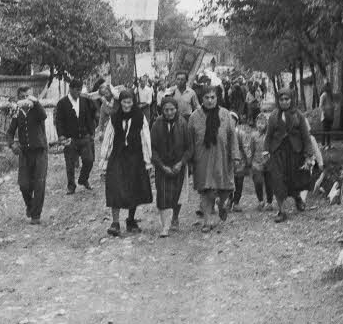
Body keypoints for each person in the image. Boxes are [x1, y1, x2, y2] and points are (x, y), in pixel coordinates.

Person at [100, 87, 153, 236]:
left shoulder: (140, 117)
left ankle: (131, 219)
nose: (127, 105)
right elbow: (108, 139)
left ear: (133, 102)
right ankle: (115, 222)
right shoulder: (114, 118)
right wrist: (104, 160)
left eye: (129, 102)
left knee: (134, 188)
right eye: (124, 102)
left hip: (135, 158)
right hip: (117, 156)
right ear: (120, 102)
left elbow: (145, 139)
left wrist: (148, 160)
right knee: (115, 187)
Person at [188, 86, 240, 232]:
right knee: (205, 190)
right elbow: (190, 140)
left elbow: (232, 137)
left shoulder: (225, 115)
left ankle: (222, 203)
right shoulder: (194, 117)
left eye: (213, 97)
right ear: (201, 99)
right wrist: (190, 161)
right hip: (202, 158)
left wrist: (235, 156)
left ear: (217, 98)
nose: (210, 100)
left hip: (222, 158)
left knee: (224, 187)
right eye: (206, 98)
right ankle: (207, 221)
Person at [263, 89, 318, 223]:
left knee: (295, 179)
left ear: (291, 100)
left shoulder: (298, 115)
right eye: (281, 100)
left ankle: (297, 198)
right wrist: (265, 151)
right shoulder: (274, 116)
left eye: (287, 99)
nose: (284, 102)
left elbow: (306, 136)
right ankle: (281, 211)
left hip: (295, 152)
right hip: (278, 153)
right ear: (278, 101)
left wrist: (309, 154)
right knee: (277, 180)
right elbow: (268, 135)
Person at [149, 94, 193, 237]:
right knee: (162, 194)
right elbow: (153, 148)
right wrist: (161, 166)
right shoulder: (156, 125)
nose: (169, 113)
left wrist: (181, 163)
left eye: (172, 109)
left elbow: (189, 147)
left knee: (178, 193)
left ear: (176, 109)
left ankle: (175, 217)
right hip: (162, 165)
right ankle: (165, 226)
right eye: (166, 110)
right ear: (162, 110)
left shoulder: (182, 124)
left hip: (179, 164)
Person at [7, 85, 48, 225]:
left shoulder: (36, 110)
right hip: (25, 153)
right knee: (24, 185)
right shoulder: (17, 112)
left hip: (39, 151)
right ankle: (30, 206)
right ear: (18, 98)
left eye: (27, 96)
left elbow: (44, 115)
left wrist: (35, 101)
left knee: (39, 183)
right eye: (22, 97)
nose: (25, 99)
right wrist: (12, 144)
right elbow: (10, 132)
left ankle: (36, 215)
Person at [54, 77, 97, 194]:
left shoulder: (84, 101)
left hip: (84, 136)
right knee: (70, 163)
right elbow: (59, 121)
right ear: (71, 89)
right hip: (70, 138)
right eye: (77, 90)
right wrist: (61, 135)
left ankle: (83, 179)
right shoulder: (62, 103)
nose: (79, 92)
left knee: (89, 160)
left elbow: (89, 117)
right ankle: (71, 186)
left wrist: (91, 132)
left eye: (80, 90)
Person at [233, 110, 268, 212]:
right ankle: (260, 200)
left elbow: (246, 148)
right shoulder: (253, 135)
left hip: (266, 162)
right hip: (255, 163)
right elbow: (250, 148)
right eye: (258, 123)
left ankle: (269, 201)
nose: (260, 125)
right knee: (257, 182)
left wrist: (247, 161)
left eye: (262, 123)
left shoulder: (268, 135)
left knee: (269, 183)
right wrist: (250, 161)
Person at [318, 81, 335, 148]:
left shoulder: (330, 95)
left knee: (329, 130)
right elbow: (321, 105)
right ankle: (323, 144)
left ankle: (328, 144)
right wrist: (324, 112)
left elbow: (331, 103)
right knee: (324, 130)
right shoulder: (324, 95)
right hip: (325, 115)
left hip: (331, 114)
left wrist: (333, 107)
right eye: (329, 86)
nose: (330, 88)